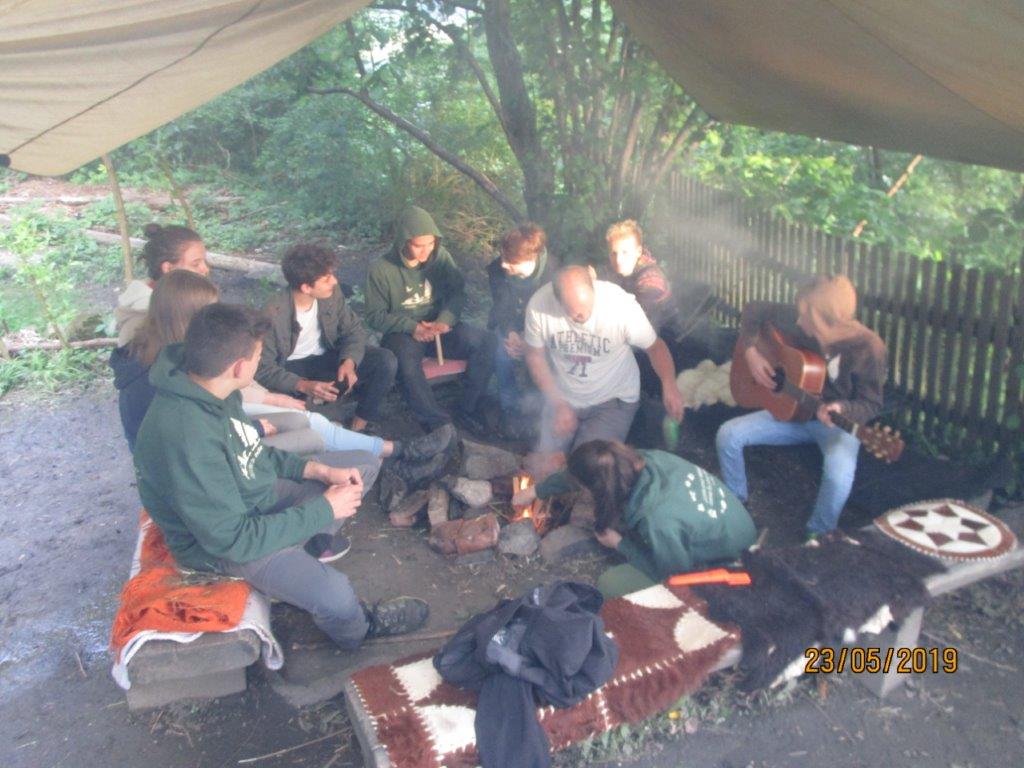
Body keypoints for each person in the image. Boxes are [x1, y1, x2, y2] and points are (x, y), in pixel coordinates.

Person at [133, 303, 429, 648]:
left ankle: (303, 550)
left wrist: (315, 469)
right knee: (337, 595)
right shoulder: (187, 436)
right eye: (259, 356)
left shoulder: (210, 388)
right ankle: (359, 632)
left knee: (361, 465)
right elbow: (233, 539)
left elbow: (250, 450)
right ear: (239, 366)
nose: (259, 363)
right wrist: (323, 509)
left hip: (250, 497)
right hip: (225, 547)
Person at [111, 272, 450, 481]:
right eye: (211, 310)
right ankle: (394, 456)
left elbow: (223, 399)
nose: (334, 281)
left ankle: (388, 454)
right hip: (210, 465)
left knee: (311, 422)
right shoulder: (154, 379)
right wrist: (264, 417)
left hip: (226, 434)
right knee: (311, 430)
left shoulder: (176, 352)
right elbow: (198, 439)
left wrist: (269, 402)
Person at [715, 275, 887, 538]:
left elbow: (871, 404)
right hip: (794, 413)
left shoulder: (868, 348)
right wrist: (751, 352)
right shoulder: (800, 320)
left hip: (837, 426)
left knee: (839, 476)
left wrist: (842, 408)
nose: (797, 321)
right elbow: (753, 309)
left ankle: (817, 536)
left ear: (820, 316)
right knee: (728, 435)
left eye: (804, 314)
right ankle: (737, 507)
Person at [515, 440, 757, 598]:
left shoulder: (658, 521)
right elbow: (584, 473)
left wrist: (620, 544)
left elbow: (675, 575)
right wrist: (537, 491)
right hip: (731, 520)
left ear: (600, 489)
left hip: (732, 562)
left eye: (582, 487)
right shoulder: (637, 460)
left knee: (610, 583)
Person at [522, 265, 685, 476]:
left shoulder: (620, 306)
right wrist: (558, 403)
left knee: (587, 470)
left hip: (612, 402)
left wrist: (669, 385)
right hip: (564, 395)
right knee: (544, 466)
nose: (585, 316)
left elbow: (655, 348)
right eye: (576, 313)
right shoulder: (540, 306)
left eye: (588, 307)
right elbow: (534, 355)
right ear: (558, 302)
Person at [365, 206, 496, 434]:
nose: (426, 251)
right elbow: (375, 316)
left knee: (487, 342)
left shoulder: (440, 257)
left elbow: (457, 293)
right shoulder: (381, 269)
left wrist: (445, 319)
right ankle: (437, 423)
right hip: (403, 332)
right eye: (419, 245)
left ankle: (467, 408)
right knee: (406, 365)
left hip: (438, 327)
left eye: (431, 243)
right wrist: (412, 327)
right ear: (404, 241)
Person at [257, 243, 398, 434]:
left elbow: (353, 330)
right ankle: (323, 419)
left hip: (325, 357)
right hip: (290, 367)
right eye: (326, 279)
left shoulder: (332, 294)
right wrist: (303, 385)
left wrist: (349, 362)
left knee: (385, 360)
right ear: (306, 287)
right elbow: (263, 368)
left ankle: (360, 423)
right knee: (307, 417)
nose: (334, 281)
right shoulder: (273, 313)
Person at [603, 220, 686, 394]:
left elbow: (640, 322)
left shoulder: (651, 279)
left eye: (625, 252)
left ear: (638, 251)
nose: (618, 259)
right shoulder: (616, 270)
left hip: (663, 343)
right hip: (635, 336)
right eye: (613, 253)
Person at [486, 223, 552, 437]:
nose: (504, 264)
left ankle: (541, 413)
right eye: (503, 257)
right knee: (502, 353)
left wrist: (529, 340)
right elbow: (501, 306)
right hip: (511, 325)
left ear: (532, 258)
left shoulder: (552, 274)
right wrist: (512, 334)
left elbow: (552, 316)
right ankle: (511, 410)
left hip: (545, 331)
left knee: (545, 359)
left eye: (512, 261)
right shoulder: (497, 269)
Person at [115, 223, 210, 346]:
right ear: (168, 268)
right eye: (195, 264)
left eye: (204, 261)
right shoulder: (145, 315)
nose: (205, 269)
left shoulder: (176, 300)